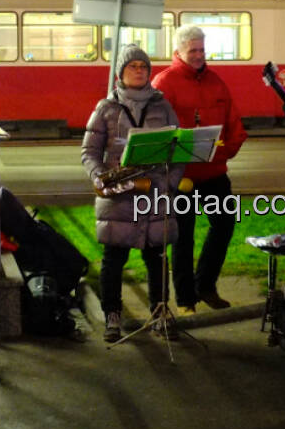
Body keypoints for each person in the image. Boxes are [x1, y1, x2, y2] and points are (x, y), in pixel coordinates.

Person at [81, 45, 183, 342]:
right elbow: (89, 151)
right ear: (120, 73)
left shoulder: (163, 106)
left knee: (158, 258)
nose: (139, 70)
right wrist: (103, 178)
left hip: (155, 195)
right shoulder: (106, 108)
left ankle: (159, 312)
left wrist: (170, 184)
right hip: (119, 198)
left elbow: (178, 151)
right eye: (133, 66)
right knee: (113, 259)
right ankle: (112, 315)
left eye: (143, 66)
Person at [150, 25, 247, 314]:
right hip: (181, 176)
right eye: (193, 50)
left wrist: (222, 153)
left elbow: (235, 126)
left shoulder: (217, 82)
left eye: (202, 50)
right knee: (182, 237)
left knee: (225, 225)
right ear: (178, 51)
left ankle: (204, 285)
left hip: (215, 173)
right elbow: (156, 129)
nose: (199, 55)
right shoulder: (164, 83)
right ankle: (185, 300)